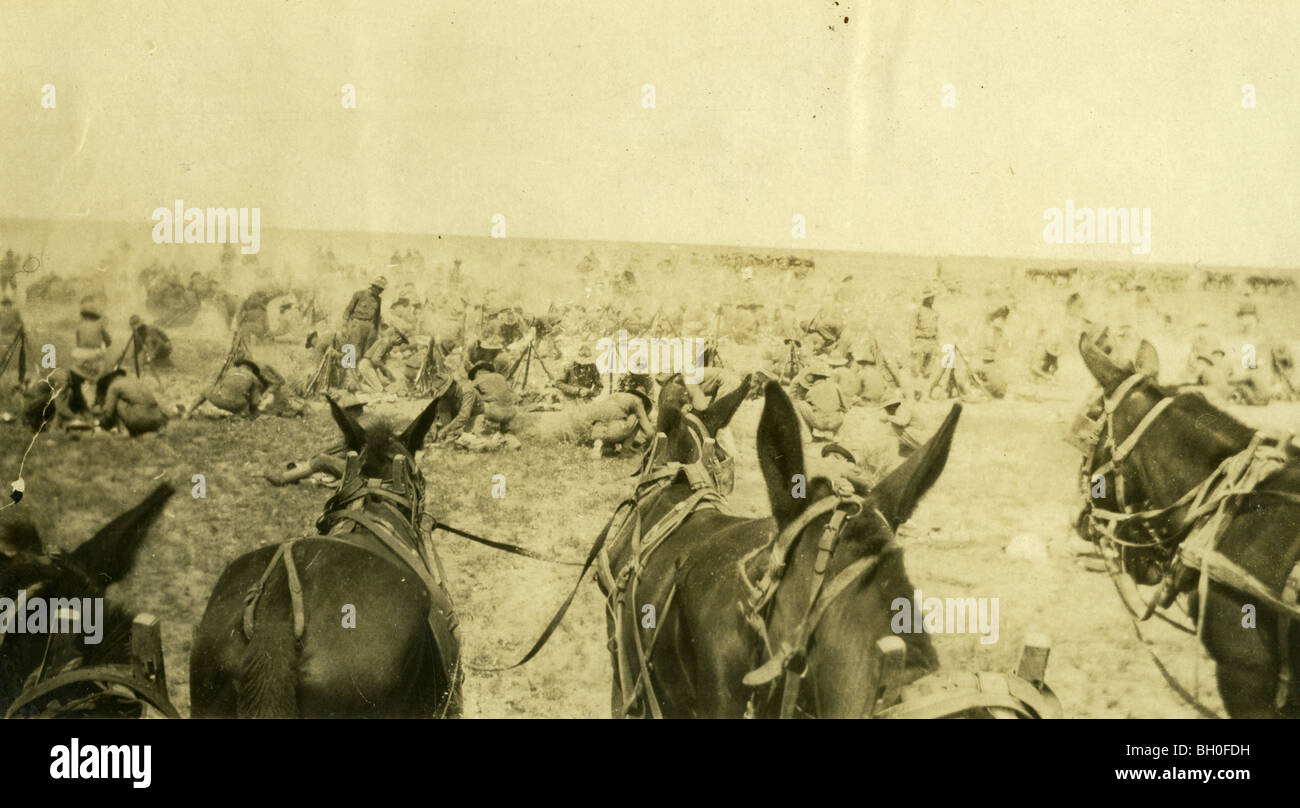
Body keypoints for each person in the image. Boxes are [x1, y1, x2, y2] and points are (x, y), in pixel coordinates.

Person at [265, 393, 367, 485]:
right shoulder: (361, 424)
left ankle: (283, 479)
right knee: (330, 455)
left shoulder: (365, 427)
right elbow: (348, 448)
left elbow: (364, 459)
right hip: (359, 467)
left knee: (322, 459)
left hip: (363, 473)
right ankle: (302, 474)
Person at [94, 368, 168, 436]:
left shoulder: (114, 386)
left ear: (109, 378)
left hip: (140, 420)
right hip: (158, 418)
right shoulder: (135, 381)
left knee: (115, 401)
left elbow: (108, 413)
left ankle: (123, 431)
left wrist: (100, 423)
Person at [793, 362, 848, 440]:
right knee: (840, 409)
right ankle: (837, 435)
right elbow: (846, 407)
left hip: (820, 424)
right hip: (836, 422)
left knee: (800, 404)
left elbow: (811, 408)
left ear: (813, 377)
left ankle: (807, 435)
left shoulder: (811, 391)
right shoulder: (836, 386)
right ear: (825, 377)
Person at [342, 276, 386, 368]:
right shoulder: (359, 294)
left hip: (370, 327)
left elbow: (377, 317)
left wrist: (377, 331)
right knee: (353, 351)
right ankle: (348, 375)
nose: (380, 292)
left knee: (366, 353)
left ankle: (360, 375)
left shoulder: (378, 300)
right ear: (373, 286)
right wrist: (345, 326)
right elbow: (348, 310)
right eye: (379, 289)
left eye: (381, 290)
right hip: (357, 323)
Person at [910, 286, 939, 380]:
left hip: (931, 342)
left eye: (933, 297)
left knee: (928, 371)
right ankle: (916, 391)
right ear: (926, 298)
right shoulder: (917, 311)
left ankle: (925, 391)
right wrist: (912, 344)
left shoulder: (934, 312)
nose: (932, 299)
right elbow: (911, 327)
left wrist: (937, 343)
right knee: (916, 371)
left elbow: (936, 329)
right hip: (920, 342)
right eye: (930, 297)